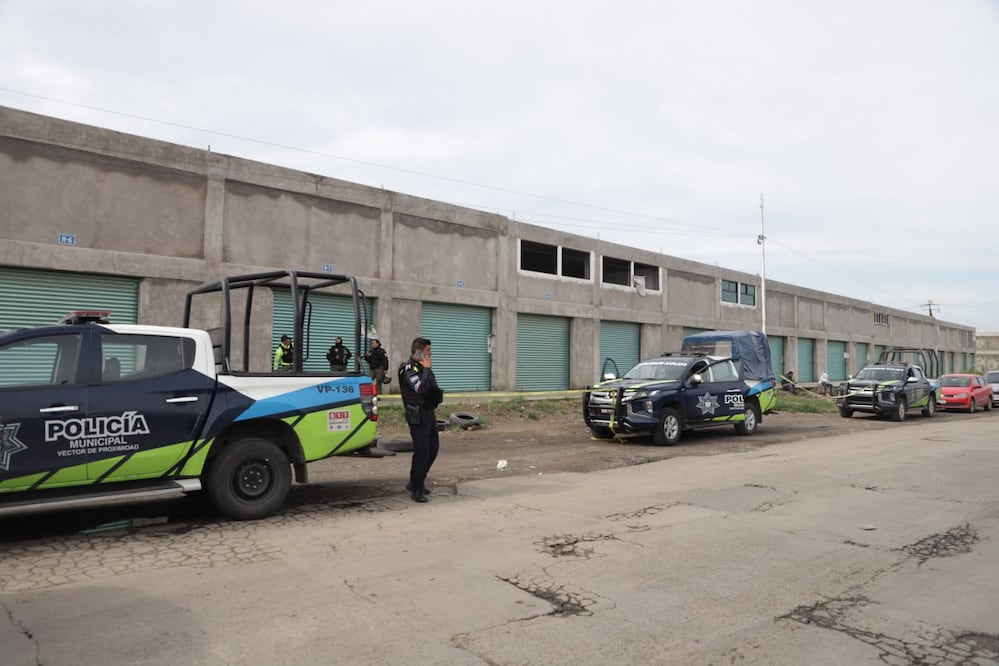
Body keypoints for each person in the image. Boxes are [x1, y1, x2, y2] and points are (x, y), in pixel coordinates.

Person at [399, 337, 443, 503]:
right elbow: (420, 389)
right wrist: (427, 370)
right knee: (422, 451)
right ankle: (417, 488)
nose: (430, 353)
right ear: (418, 351)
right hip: (417, 415)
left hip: (428, 412)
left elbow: (432, 388)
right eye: (427, 351)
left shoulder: (423, 368)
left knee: (433, 448)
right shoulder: (408, 369)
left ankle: (416, 480)